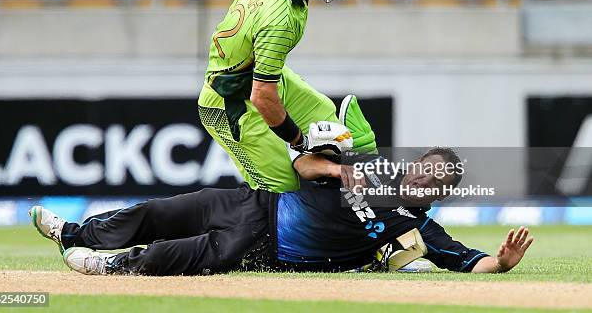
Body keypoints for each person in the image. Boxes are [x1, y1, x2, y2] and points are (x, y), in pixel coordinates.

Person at [29, 146, 533, 276]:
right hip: (257, 203)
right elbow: (303, 163)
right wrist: (337, 172)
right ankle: (76, 232)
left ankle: (116, 265)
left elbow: (471, 261)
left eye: (439, 179)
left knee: (196, 254)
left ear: (440, 192)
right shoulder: (369, 167)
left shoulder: (421, 228)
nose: (427, 178)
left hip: (274, 247)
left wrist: (502, 263)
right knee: (162, 210)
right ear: (415, 165)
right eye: (427, 168)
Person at [198, 0, 363, 193]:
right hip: (229, 99)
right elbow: (262, 96)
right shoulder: (280, 21)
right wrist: (299, 142)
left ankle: (340, 200)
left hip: (259, 75)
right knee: (280, 188)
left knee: (326, 118)